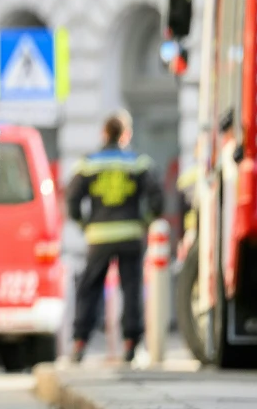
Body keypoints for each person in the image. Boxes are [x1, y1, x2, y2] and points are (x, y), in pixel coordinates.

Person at [67, 110, 163, 364]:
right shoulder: (138, 162)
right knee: (131, 289)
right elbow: (157, 198)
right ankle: (131, 343)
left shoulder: (87, 163)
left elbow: (72, 199)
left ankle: (79, 343)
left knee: (89, 289)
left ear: (104, 133)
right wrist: (145, 222)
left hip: (98, 237)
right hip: (130, 235)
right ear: (126, 135)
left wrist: (84, 223)